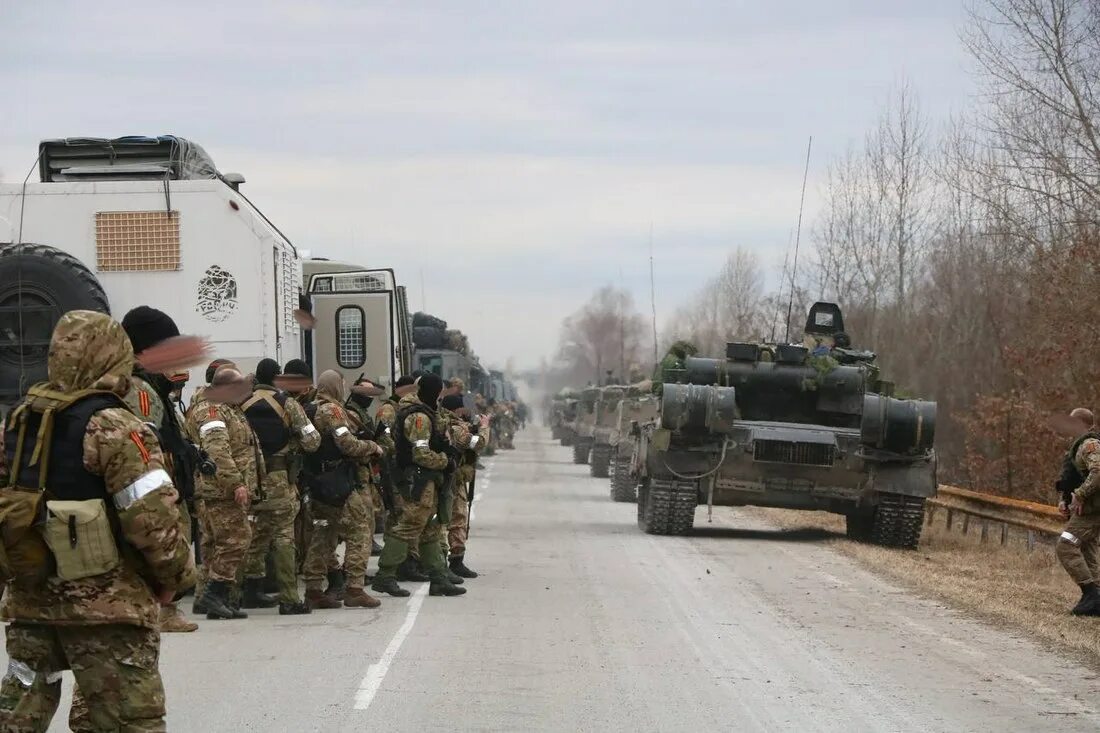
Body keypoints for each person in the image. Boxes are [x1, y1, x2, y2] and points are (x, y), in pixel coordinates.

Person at [0, 310, 195, 731]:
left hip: (31, 602)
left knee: (18, 716)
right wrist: (176, 578)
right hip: (107, 611)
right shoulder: (116, 426)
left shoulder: (17, 423)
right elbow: (153, 520)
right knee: (128, 721)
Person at [119, 306, 200, 634]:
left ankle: (166, 607)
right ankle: (162, 608)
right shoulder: (140, 389)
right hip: (153, 487)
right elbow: (144, 442)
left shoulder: (153, 385)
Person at [372, 374, 466, 598]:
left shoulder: (427, 413)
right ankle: (385, 576)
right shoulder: (420, 418)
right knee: (409, 526)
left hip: (428, 480)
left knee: (430, 530)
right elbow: (420, 453)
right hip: (419, 481)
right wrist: (445, 460)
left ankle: (439, 578)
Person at [241, 359, 320, 615]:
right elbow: (312, 441)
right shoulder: (289, 404)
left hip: (249, 479)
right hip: (278, 478)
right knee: (284, 536)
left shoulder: (241, 403)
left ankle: (248, 591)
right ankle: (289, 598)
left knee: (255, 534)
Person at [301, 371, 383, 609]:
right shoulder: (333, 411)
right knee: (360, 530)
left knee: (323, 534)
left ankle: (313, 589)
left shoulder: (309, 409)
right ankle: (354, 588)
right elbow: (346, 443)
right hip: (337, 483)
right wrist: (373, 447)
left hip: (316, 482)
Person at [185, 362, 258, 620]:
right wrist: (236, 483)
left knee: (215, 543)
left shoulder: (227, 408)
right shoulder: (212, 411)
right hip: (220, 489)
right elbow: (217, 451)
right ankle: (215, 594)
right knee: (237, 539)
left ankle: (210, 601)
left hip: (219, 488)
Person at [375, 375, 429, 582]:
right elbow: (384, 436)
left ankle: (407, 560)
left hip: (405, 469)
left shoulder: (409, 410)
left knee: (406, 514)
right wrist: (399, 452)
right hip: (394, 469)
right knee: (401, 514)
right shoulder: (389, 410)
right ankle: (401, 563)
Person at [1055, 407, 1100, 616]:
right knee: (1087, 550)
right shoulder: (1078, 446)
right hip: (1088, 509)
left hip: (1093, 510)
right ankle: (1096, 600)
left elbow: (1098, 471)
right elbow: (1071, 477)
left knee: (1066, 545)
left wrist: (1080, 494)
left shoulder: (1090, 445)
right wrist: (1064, 499)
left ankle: (1090, 594)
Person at [440, 394, 490, 579]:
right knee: (457, 518)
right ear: (457, 409)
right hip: (453, 479)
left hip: (444, 476)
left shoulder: (442, 421)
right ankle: (455, 560)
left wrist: (474, 427)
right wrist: (484, 429)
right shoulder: (455, 426)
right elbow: (477, 443)